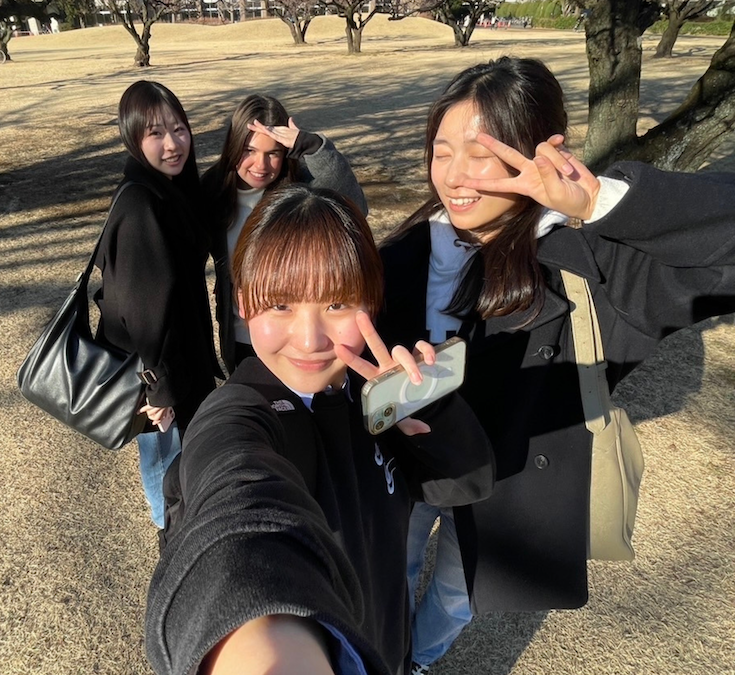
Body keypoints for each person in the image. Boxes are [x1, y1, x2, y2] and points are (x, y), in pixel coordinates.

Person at [376, 56, 735, 673]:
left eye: (480, 154)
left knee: (458, 592)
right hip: (412, 462)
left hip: (509, 479)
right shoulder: (406, 251)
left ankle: (415, 660)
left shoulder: (593, 265)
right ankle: (381, 653)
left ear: (535, 155)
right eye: (441, 151)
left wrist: (603, 201)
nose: (455, 176)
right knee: (388, 562)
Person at [146, 185, 495, 675]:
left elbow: (469, 482)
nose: (310, 340)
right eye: (281, 305)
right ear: (244, 305)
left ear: (371, 304)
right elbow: (234, 500)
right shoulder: (241, 413)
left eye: (336, 305)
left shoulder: (372, 396)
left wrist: (430, 408)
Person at [93, 81, 218, 528]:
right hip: (159, 376)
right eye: (155, 134)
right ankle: (170, 537)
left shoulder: (172, 190)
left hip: (182, 363)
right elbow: (141, 310)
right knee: (166, 465)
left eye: (179, 129)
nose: (172, 144)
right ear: (132, 138)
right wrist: (159, 391)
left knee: (184, 463)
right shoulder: (141, 204)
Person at [201, 94, 368, 374]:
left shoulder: (299, 185)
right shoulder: (213, 189)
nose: (260, 165)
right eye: (249, 150)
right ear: (232, 147)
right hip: (241, 336)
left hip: (294, 340)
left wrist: (313, 147)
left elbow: (356, 208)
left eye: (273, 153)